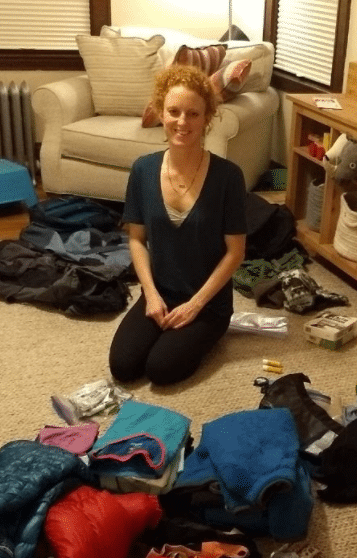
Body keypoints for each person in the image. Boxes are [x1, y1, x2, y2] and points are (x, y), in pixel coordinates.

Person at [109, 64, 247, 385]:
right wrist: (151, 294)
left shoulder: (228, 177)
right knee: (124, 367)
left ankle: (209, 332)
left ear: (207, 117)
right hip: (160, 292)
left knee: (162, 370)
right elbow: (136, 240)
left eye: (193, 114)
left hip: (207, 301)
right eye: (173, 111)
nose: (182, 122)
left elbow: (235, 253)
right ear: (160, 113)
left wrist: (196, 304)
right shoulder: (143, 170)